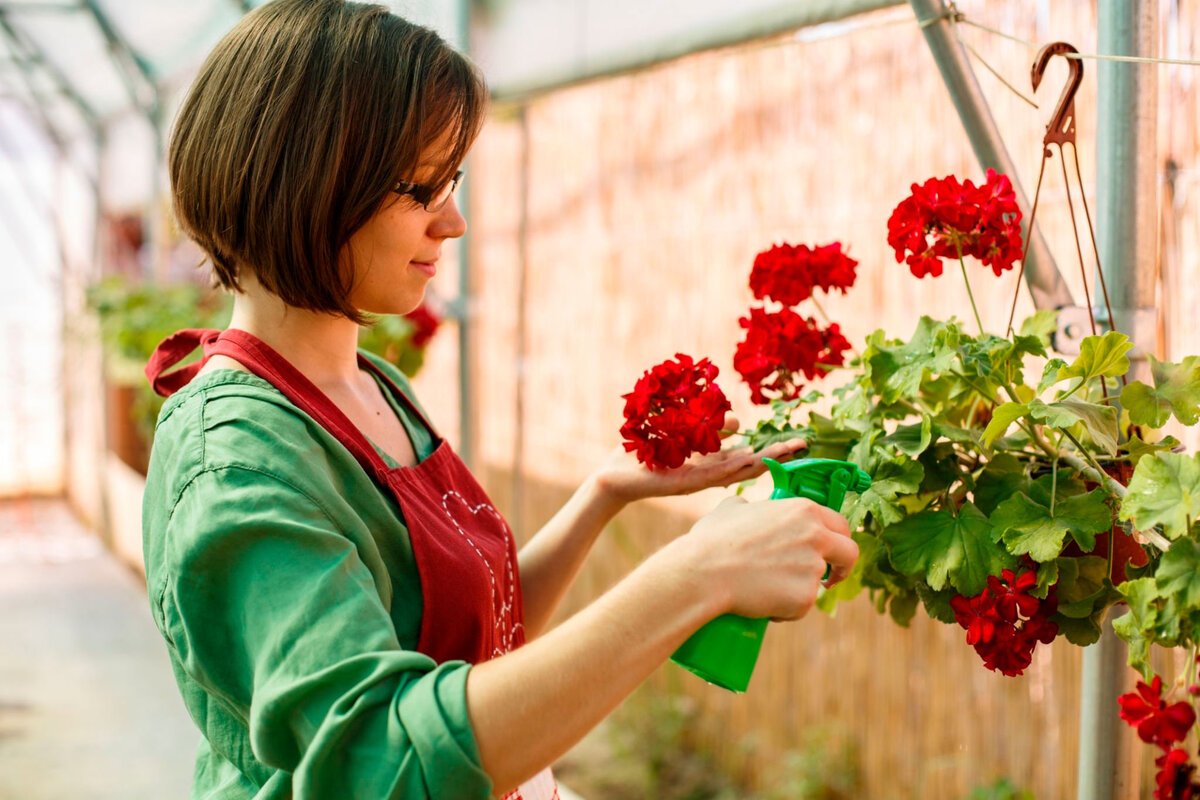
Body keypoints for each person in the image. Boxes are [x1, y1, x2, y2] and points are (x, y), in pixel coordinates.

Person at [140, 1, 859, 798]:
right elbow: (383, 761)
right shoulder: (238, 459)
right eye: (421, 190)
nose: (455, 221)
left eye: (453, 183)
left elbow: (473, 644)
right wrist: (694, 579)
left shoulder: (371, 385)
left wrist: (604, 495)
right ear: (305, 183)